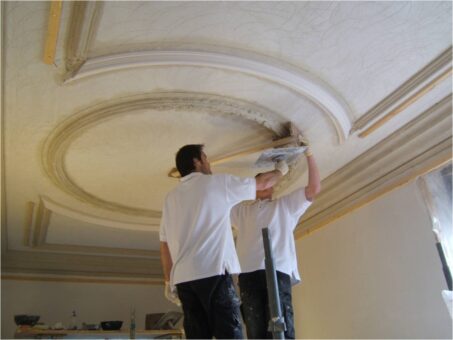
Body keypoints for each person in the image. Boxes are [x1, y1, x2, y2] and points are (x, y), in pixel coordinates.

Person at [159, 144, 288, 339]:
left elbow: (164, 243)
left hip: (184, 281)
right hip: (213, 273)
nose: (209, 163)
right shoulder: (216, 184)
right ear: (196, 162)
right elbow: (262, 183)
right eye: (205, 158)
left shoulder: (170, 199)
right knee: (229, 334)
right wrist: (282, 170)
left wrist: (168, 281)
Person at [231, 139, 321, 339]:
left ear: (272, 187)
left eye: (269, 182)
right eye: (262, 181)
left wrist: (309, 155)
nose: (267, 184)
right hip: (248, 274)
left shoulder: (285, 206)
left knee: (283, 329)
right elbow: (219, 203)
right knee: (256, 332)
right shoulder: (242, 212)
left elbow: (313, 189)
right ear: (254, 187)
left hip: (278, 270)